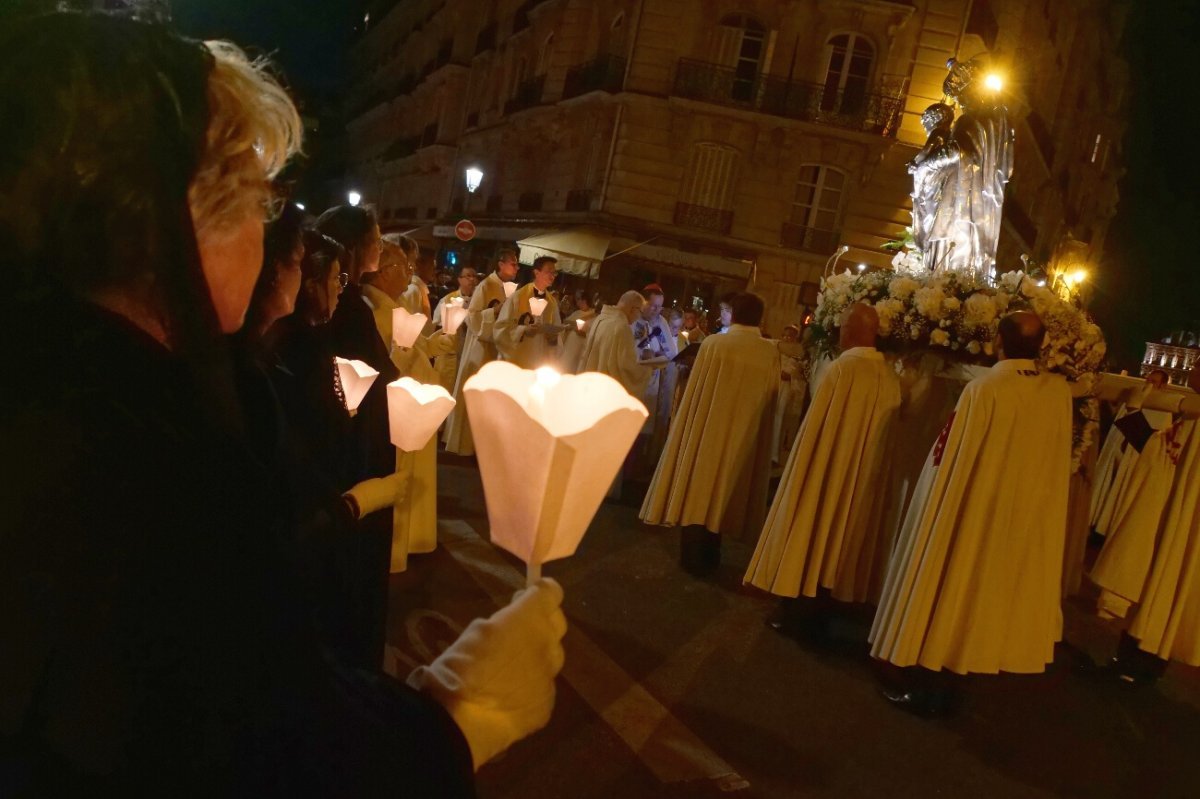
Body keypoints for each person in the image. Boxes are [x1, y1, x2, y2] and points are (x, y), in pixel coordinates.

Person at [0, 15, 565, 794]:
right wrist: (461, 718)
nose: (267, 243)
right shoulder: (140, 471)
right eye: (253, 207)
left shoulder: (81, 396)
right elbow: (238, 748)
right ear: (168, 224)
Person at [869, 311, 1072, 715]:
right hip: (1020, 514)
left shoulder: (985, 390)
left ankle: (929, 686)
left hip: (974, 507)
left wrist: (930, 504)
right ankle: (961, 674)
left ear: (998, 342)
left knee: (951, 586)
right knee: (983, 596)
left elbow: (948, 457)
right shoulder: (1058, 393)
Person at [746, 304, 902, 634]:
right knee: (840, 539)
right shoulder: (889, 376)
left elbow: (815, 429)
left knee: (813, 532)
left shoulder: (842, 370)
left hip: (826, 472)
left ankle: (798, 610)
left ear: (848, 331)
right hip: (861, 480)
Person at [640, 293, 780, 576]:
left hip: (708, 432)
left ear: (736, 314)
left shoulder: (716, 344)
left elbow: (696, 393)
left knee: (699, 489)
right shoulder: (769, 352)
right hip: (744, 436)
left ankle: (693, 555)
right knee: (726, 493)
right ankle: (712, 554)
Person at [362, 238, 455, 570]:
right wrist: (404, 355)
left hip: (415, 409)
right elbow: (384, 364)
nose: (410, 273)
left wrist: (432, 345)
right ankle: (395, 547)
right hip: (401, 413)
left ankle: (408, 539)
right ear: (385, 272)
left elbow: (410, 349)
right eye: (405, 267)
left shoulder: (389, 307)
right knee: (399, 480)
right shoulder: (374, 310)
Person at [1107, 367, 1200, 684]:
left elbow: (1157, 452)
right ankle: (1143, 664)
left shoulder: (1193, 418)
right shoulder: (1189, 413)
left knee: (1162, 580)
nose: (1193, 370)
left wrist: (1132, 412)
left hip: (1178, 521)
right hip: (1178, 520)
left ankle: (1136, 666)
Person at [443, 248, 519, 455]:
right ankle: (466, 443)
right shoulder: (486, 285)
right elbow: (473, 316)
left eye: (517, 263)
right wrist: (494, 311)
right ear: (500, 264)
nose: (516, 267)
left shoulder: (512, 289)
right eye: (512, 263)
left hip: (498, 348)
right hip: (480, 347)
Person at [1090, 369, 1172, 537]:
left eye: (1153, 382)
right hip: (1118, 454)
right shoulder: (1133, 400)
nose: (1148, 385)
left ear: (1162, 385)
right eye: (1147, 380)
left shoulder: (1164, 409)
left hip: (1134, 460)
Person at [579, 290, 654, 398]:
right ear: (633, 309)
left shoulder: (601, 319)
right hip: (606, 393)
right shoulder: (622, 328)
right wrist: (648, 367)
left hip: (589, 385)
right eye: (640, 312)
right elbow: (627, 369)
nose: (639, 316)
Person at [494, 255, 562, 369]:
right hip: (518, 359)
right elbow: (501, 328)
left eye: (554, 273)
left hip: (539, 360)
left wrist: (553, 338)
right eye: (549, 272)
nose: (552, 276)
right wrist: (523, 330)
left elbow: (557, 330)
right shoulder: (518, 297)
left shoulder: (552, 302)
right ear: (536, 272)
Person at [432, 263, 479, 390]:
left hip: (469, 353)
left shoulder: (479, 301)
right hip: (449, 353)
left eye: (474, 276)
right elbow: (436, 325)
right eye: (468, 276)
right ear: (459, 279)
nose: (472, 279)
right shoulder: (447, 300)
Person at [561, 289, 597, 373]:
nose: (577, 302)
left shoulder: (594, 316)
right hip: (569, 346)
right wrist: (568, 327)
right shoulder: (577, 313)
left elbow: (593, 332)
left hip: (581, 347)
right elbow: (565, 324)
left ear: (584, 300)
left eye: (578, 299)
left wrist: (584, 332)